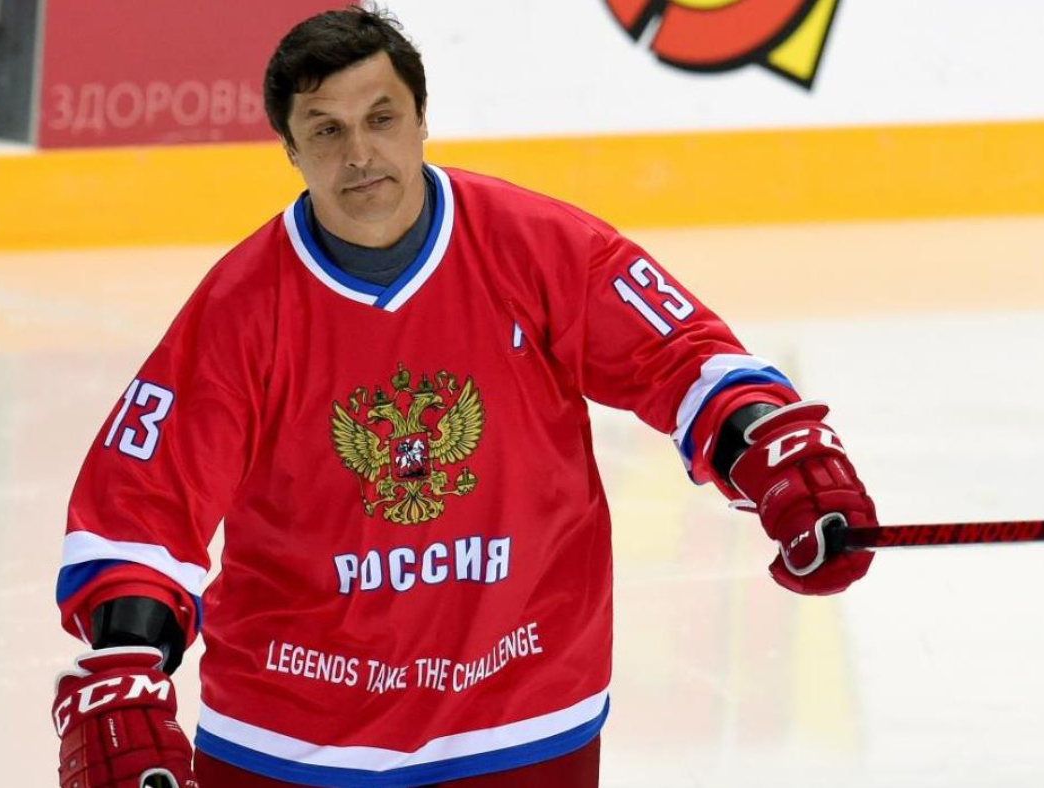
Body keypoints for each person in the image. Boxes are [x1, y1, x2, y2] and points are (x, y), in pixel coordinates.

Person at [49, 6, 878, 788]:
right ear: (289, 149)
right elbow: (143, 504)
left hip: (524, 716)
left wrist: (773, 454)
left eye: (381, 118)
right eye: (326, 130)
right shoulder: (240, 310)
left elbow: (684, 359)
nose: (359, 153)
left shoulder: (540, 247)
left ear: (422, 120)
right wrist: (128, 657)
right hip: (293, 736)